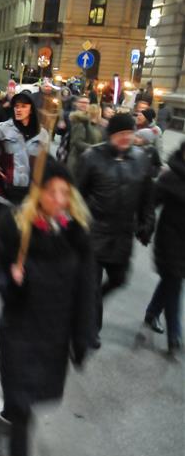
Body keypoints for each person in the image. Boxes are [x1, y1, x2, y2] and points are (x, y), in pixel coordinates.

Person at [0, 159, 94, 456]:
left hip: (53, 334)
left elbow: (87, 289)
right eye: (52, 191)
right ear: (38, 192)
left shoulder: (77, 233)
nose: (59, 198)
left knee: (28, 401)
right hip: (18, 329)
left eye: (66, 192)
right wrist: (12, 280)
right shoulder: (15, 226)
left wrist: (83, 335)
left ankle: (5, 421)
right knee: (23, 404)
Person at [76, 112, 154, 348]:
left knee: (119, 279)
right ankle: (90, 330)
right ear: (111, 134)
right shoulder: (92, 157)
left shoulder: (141, 159)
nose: (125, 138)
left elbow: (147, 196)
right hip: (94, 231)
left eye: (129, 133)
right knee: (91, 284)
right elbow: (76, 194)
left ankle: (84, 307)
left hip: (122, 234)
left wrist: (147, 222)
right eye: (120, 134)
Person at [0, 91, 50, 234]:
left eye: (23, 106)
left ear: (31, 109)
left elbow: (45, 164)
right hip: (3, 195)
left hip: (27, 199)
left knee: (19, 247)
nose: (18, 109)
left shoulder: (43, 135)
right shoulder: (1, 129)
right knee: (2, 246)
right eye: (16, 106)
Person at [141, 142, 184, 354]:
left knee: (171, 280)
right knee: (174, 283)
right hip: (170, 240)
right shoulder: (170, 177)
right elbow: (151, 204)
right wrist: (144, 227)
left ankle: (151, 313)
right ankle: (174, 335)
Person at [64, 101, 103, 176]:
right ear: (96, 113)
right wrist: (94, 148)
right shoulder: (81, 124)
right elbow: (77, 142)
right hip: (77, 162)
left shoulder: (96, 127)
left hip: (87, 162)